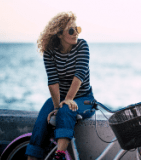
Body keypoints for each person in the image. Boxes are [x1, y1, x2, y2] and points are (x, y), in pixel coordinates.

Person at [25, 11, 95, 160]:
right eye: (71, 30)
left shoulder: (82, 46)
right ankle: (32, 157)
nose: (76, 33)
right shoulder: (50, 52)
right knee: (43, 117)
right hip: (60, 98)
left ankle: (60, 155)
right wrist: (56, 107)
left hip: (84, 99)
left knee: (66, 108)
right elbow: (52, 81)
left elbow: (79, 76)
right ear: (59, 34)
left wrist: (68, 100)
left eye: (77, 29)